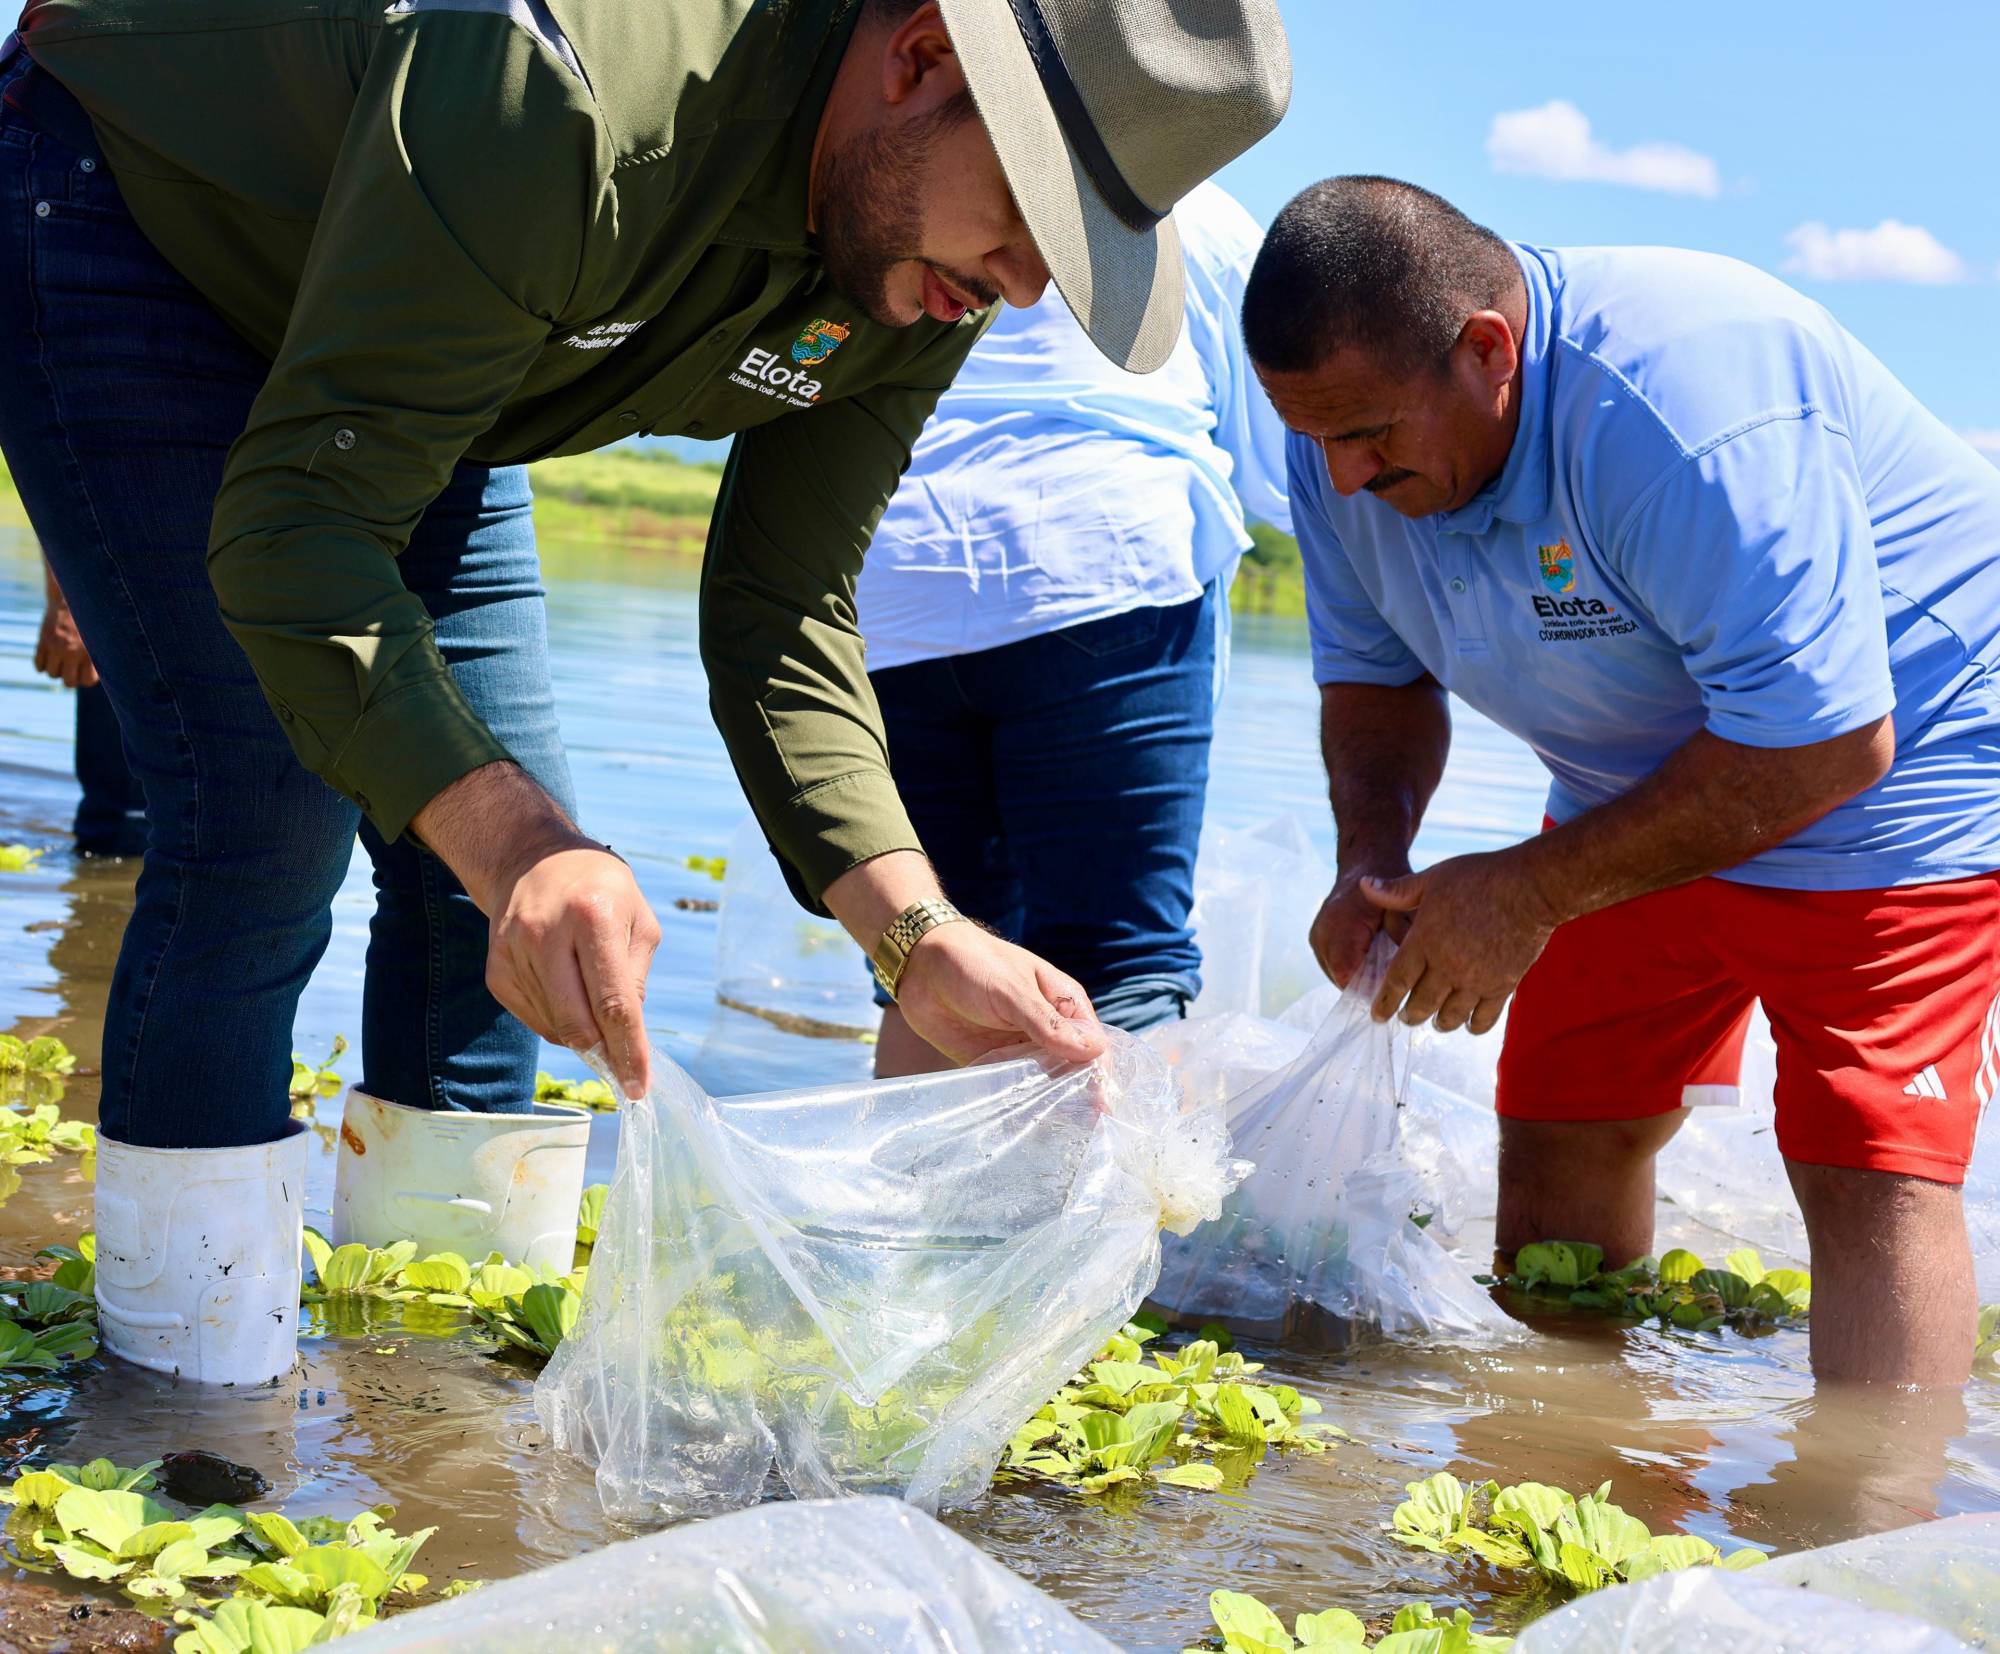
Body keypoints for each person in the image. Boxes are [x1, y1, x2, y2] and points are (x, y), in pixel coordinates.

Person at [0, 0, 1289, 1383]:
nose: (1029, 287)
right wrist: (517, 842)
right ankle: (181, 1410)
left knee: (503, 891)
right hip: (141, 214)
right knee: (267, 816)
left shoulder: (933, 263)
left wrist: (915, 934)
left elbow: (785, 607)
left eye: (1076, 253)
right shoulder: (562, 93)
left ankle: (421, 1411)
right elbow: (299, 530)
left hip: (439, 332)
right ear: (921, 56)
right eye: (1034, 212)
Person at [1244, 176, 2000, 1387]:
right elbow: (1375, 680)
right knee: (1562, 1114)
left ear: (1487, 351)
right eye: (1313, 436)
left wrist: (1526, 891)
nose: (1339, 478)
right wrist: (1368, 859)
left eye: (1368, 434)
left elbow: (1822, 739)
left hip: (1896, 761)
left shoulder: (1680, 402)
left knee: (1862, 1160)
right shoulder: (1336, 446)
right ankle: (1574, 1453)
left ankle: (1870, 1500)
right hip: (1641, 777)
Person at [856, 181, 1291, 1075]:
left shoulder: (931, 182)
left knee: (933, 958)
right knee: (1119, 958)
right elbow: (1281, 460)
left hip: (897, 583)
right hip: (1104, 566)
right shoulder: (1183, 208)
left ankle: (915, 1175)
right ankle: (1128, 1171)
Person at [34, 557, 145, 857]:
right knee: (120, 824)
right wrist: (68, 602)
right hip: (126, 596)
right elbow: (65, 520)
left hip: (225, 592)